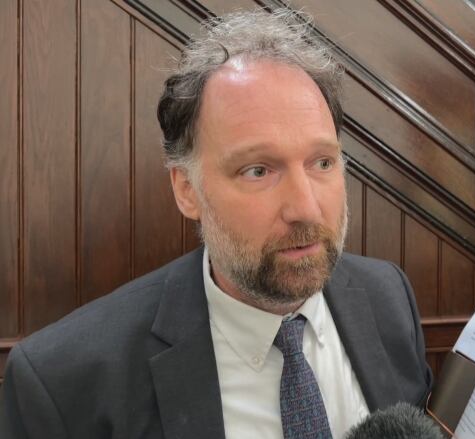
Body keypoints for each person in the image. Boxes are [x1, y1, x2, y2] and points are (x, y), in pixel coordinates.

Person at [0, 8, 432, 439]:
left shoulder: (389, 297)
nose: (306, 208)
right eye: (258, 170)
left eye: (322, 162)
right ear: (187, 189)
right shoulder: (64, 383)